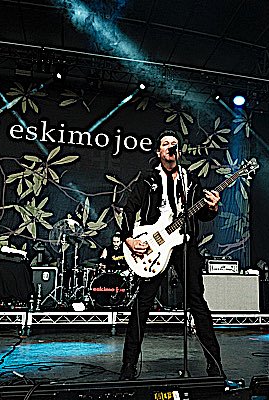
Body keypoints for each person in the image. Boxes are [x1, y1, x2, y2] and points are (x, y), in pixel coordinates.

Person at [118, 130, 224, 380]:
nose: (170, 147)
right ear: (159, 152)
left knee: (197, 302)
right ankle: (128, 365)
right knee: (143, 304)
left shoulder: (191, 180)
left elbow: (202, 214)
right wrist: (129, 239)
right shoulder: (148, 180)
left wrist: (213, 207)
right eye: (165, 144)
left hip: (184, 244)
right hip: (153, 246)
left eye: (174, 144)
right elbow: (129, 209)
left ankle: (215, 365)